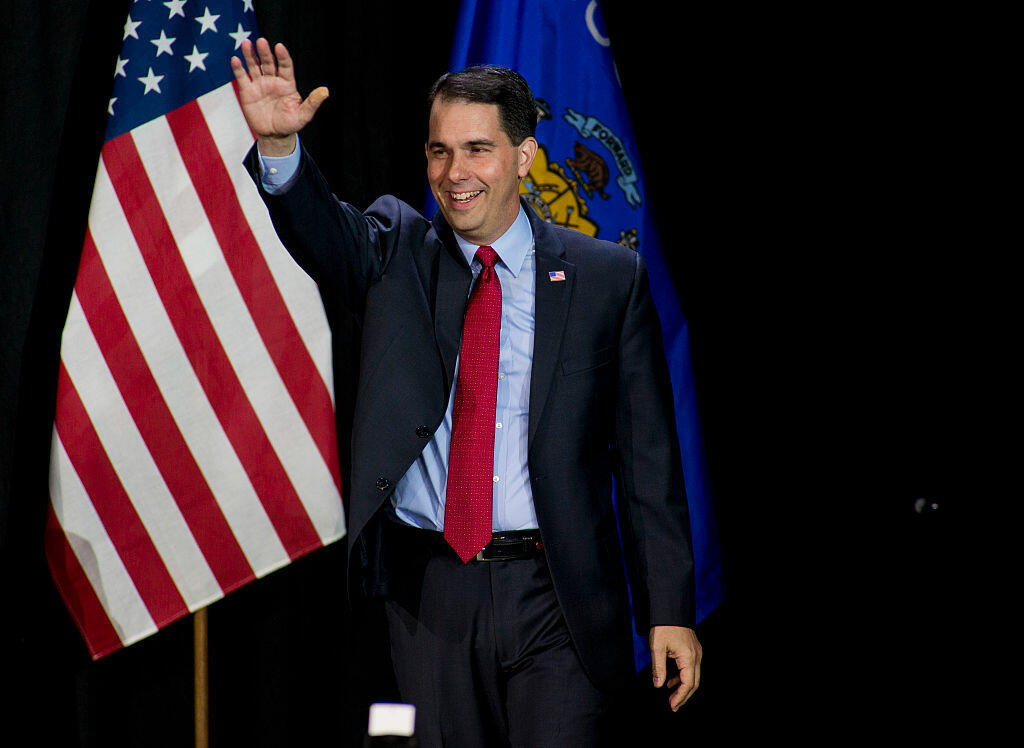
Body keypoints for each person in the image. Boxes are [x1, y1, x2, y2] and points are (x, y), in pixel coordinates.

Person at [231, 37, 702, 747]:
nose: (455, 174)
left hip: (559, 596)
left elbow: (647, 463)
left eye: (477, 150)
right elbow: (327, 239)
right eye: (439, 151)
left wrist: (669, 608)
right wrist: (279, 152)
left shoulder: (606, 279)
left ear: (524, 159)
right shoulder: (397, 250)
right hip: (433, 595)